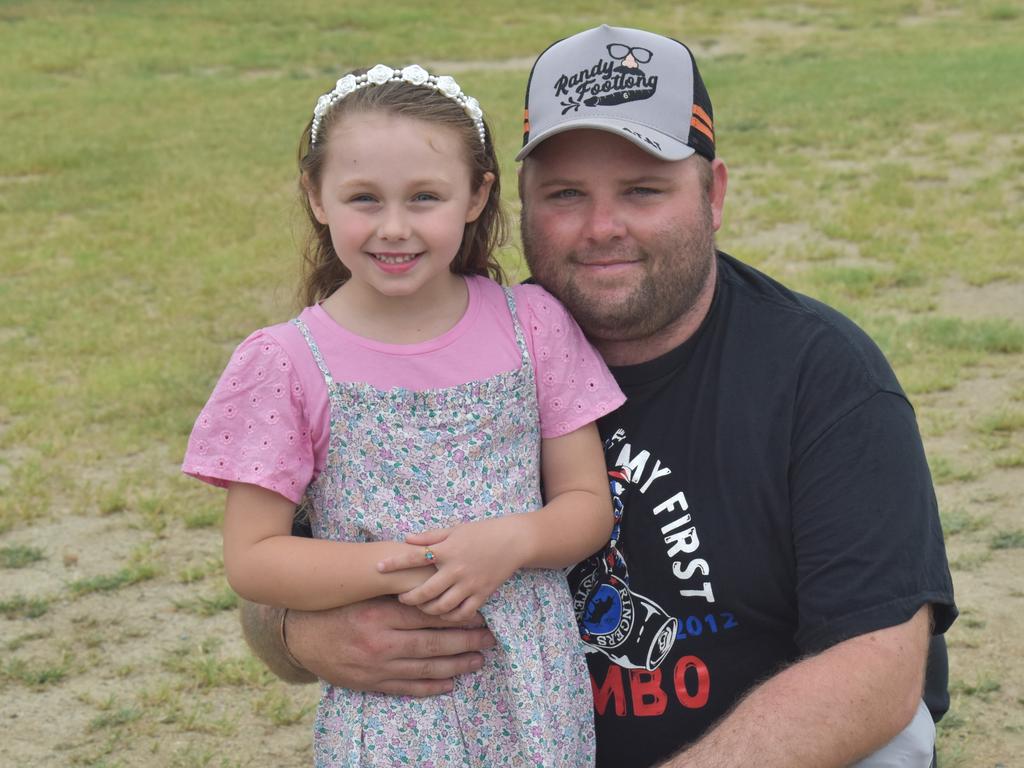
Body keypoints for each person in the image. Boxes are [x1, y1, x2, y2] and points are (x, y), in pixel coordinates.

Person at [240, 25, 958, 768]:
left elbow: (877, 673)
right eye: (566, 194)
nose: (602, 228)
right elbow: (268, 571)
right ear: (513, 201)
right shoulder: (451, 355)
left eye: (643, 190)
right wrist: (304, 634)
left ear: (712, 194)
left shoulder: (820, 373)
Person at [182, 63, 627, 766]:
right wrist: (413, 566)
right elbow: (254, 559)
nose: (394, 228)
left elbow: (586, 505)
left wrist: (510, 542)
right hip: (393, 705)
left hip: (535, 693)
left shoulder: (531, 325)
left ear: (477, 195)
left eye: (425, 197)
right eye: (364, 198)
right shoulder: (285, 362)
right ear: (316, 196)